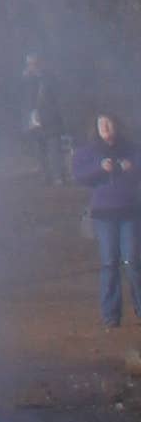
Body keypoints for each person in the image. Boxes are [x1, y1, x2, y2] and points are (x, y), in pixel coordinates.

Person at [72, 114, 141, 329]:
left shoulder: (131, 148)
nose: (107, 128)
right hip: (103, 214)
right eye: (102, 124)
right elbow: (79, 175)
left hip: (129, 211)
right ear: (96, 128)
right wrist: (100, 168)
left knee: (132, 262)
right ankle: (111, 315)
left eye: (110, 123)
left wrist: (131, 167)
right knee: (109, 263)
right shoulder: (89, 152)